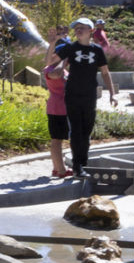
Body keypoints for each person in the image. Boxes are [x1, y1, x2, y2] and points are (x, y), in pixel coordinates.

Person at [55, 18, 119, 177]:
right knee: (76, 130)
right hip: (72, 94)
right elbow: (53, 60)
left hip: (90, 95)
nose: (78, 30)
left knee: (87, 130)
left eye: (82, 28)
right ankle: (78, 166)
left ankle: (82, 162)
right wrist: (52, 47)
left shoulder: (97, 50)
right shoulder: (70, 47)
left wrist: (112, 93)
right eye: (76, 28)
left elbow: (105, 72)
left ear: (91, 31)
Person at [42, 56, 71, 179]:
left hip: (63, 108)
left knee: (58, 139)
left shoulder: (63, 70)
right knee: (56, 140)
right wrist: (64, 60)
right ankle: (61, 170)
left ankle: (56, 168)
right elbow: (56, 74)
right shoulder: (50, 69)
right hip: (57, 108)